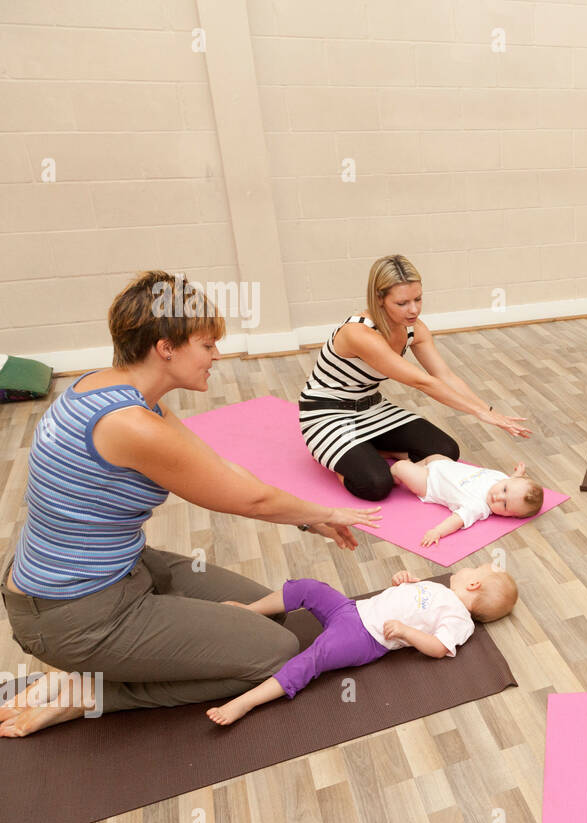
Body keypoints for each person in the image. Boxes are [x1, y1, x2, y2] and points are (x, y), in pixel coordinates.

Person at [0, 272, 380, 738]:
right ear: (166, 348)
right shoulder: (131, 425)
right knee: (274, 654)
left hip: (121, 571)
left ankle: (110, 662)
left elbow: (219, 468)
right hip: (74, 613)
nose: (216, 355)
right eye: (207, 345)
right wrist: (329, 512)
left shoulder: (110, 389)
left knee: (268, 609)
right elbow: (250, 500)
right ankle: (91, 692)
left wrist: (306, 520)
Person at [299, 254, 530, 501]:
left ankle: (370, 449)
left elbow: (444, 375)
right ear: (379, 299)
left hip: (373, 409)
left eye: (418, 299)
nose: (414, 309)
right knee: (376, 484)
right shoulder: (358, 333)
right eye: (402, 303)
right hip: (327, 414)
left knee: (446, 451)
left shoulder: (414, 328)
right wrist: (478, 413)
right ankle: (336, 456)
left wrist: (488, 410)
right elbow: (422, 382)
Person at [206, 564, 517, 726]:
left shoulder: (460, 619)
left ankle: (245, 702)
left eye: (475, 568)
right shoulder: (441, 591)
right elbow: (413, 602)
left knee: (312, 658)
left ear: (473, 583)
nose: (466, 568)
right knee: (308, 587)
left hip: (364, 638)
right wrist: (405, 581)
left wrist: (406, 632)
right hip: (351, 609)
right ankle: (249, 611)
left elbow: (438, 647)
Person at [389, 454, 544, 547]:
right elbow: (513, 482)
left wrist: (437, 532)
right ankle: (412, 463)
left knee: (400, 467)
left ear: (508, 515)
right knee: (434, 456)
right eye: (504, 490)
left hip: (429, 482)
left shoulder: (478, 507)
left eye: (504, 505)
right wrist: (518, 475)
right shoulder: (502, 479)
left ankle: (395, 476)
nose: (498, 497)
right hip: (443, 465)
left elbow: (456, 520)